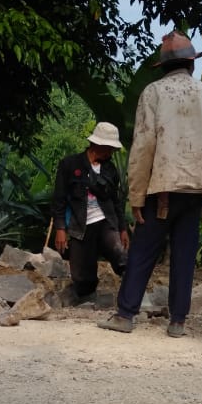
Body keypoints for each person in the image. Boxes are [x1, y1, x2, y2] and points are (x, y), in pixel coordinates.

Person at [97, 30, 202, 338]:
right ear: (191, 63)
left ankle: (126, 315)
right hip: (195, 190)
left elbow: (143, 146)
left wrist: (136, 196)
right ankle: (177, 322)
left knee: (142, 251)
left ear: (164, 66)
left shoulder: (153, 93)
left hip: (163, 188)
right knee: (184, 255)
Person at [51, 122, 129, 301]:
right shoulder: (70, 165)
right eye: (109, 148)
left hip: (106, 221)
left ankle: (131, 295)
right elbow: (59, 199)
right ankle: (87, 300)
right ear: (98, 145)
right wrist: (60, 228)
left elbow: (116, 201)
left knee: (121, 254)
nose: (111, 153)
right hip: (80, 224)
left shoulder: (110, 169)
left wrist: (123, 228)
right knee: (82, 276)